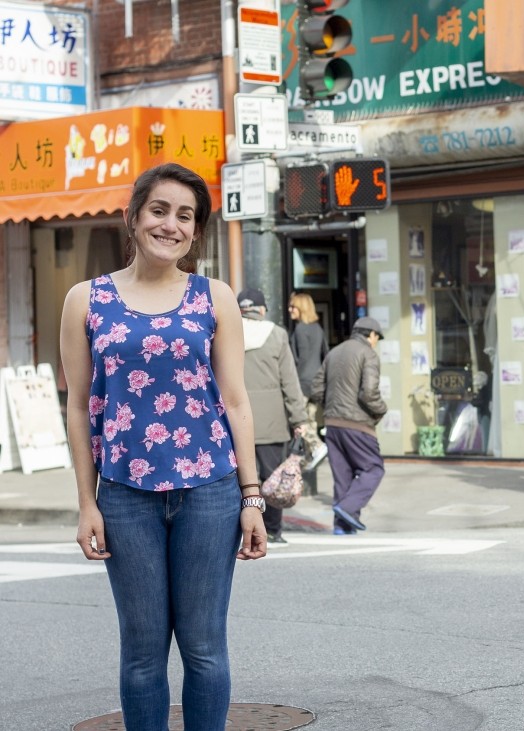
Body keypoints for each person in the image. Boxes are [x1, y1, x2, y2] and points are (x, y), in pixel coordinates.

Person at [59, 162, 266, 730]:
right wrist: (86, 503)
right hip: (125, 496)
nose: (170, 225)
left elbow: (236, 401)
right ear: (133, 216)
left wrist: (252, 498)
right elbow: (79, 409)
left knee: (204, 649)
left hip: (211, 493)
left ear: (195, 231)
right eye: (159, 210)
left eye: (185, 216)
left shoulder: (214, 297)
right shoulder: (86, 299)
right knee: (143, 653)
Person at [238, 288, 311, 544]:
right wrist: (299, 420)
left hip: (235, 419)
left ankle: (241, 527)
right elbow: (289, 383)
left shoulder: (226, 333)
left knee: (241, 477)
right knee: (273, 476)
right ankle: (272, 529)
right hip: (272, 420)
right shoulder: (277, 334)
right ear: (262, 310)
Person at [311, 316, 388, 534]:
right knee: (373, 469)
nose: (376, 342)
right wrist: (381, 410)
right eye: (377, 338)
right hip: (358, 424)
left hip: (332, 424)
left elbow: (316, 389)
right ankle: (347, 508)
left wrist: (330, 407)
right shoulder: (368, 354)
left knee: (342, 475)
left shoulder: (334, 352)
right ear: (371, 335)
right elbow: (369, 393)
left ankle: (342, 526)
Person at [287, 291, 329, 470]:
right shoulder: (318, 329)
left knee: (299, 420)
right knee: (310, 419)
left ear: (301, 308)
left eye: (293, 306)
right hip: (316, 382)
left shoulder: (299, 330)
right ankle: (311, 457)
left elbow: (295, 359)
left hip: (302, 382)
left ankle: (317, 446)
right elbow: (326, 354)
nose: (290, 310)